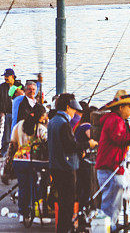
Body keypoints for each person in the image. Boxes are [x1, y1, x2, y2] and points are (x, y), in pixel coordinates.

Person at [48, 94, 97, 233]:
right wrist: (88, 144)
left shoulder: (53, 121)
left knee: (63, 202)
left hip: (55, 166)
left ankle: (62, 229)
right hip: (65, 168)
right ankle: (65, 229)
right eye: (73, 109)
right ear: (68, 107)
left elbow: (60, 144)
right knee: (67, 204)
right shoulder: (64, 123)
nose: (74, 112)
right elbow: (70, 146)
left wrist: (77, 150)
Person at [94, 91, 130, 226]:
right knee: (111, 204)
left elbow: (129, 133)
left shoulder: (119, 121)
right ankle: (108, 227)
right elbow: (119, 137)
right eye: (129, 108)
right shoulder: (115, 120)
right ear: (121, 107)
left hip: (110, 167)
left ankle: (109, 226)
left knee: (113, 202)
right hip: (110, 168)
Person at [10, 103, 49, 224]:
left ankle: (23, 214)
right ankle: (37, 215)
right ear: (39, 116)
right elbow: (48, 141)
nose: (45, 118)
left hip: (19, 160)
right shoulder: (40, 128)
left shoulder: (19, 125)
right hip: (34, 162)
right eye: (43, 116)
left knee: (23, 187)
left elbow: (13, 143)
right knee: (37, 187)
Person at [0, 68, 16, 157]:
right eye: (5, 76)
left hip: (16, 115)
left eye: (7, 76)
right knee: (5, 137)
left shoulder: (19, 86)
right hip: (5, 115)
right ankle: (4, 154)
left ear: (12, 76)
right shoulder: (0, 88)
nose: (5, 78)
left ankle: (15, 155)